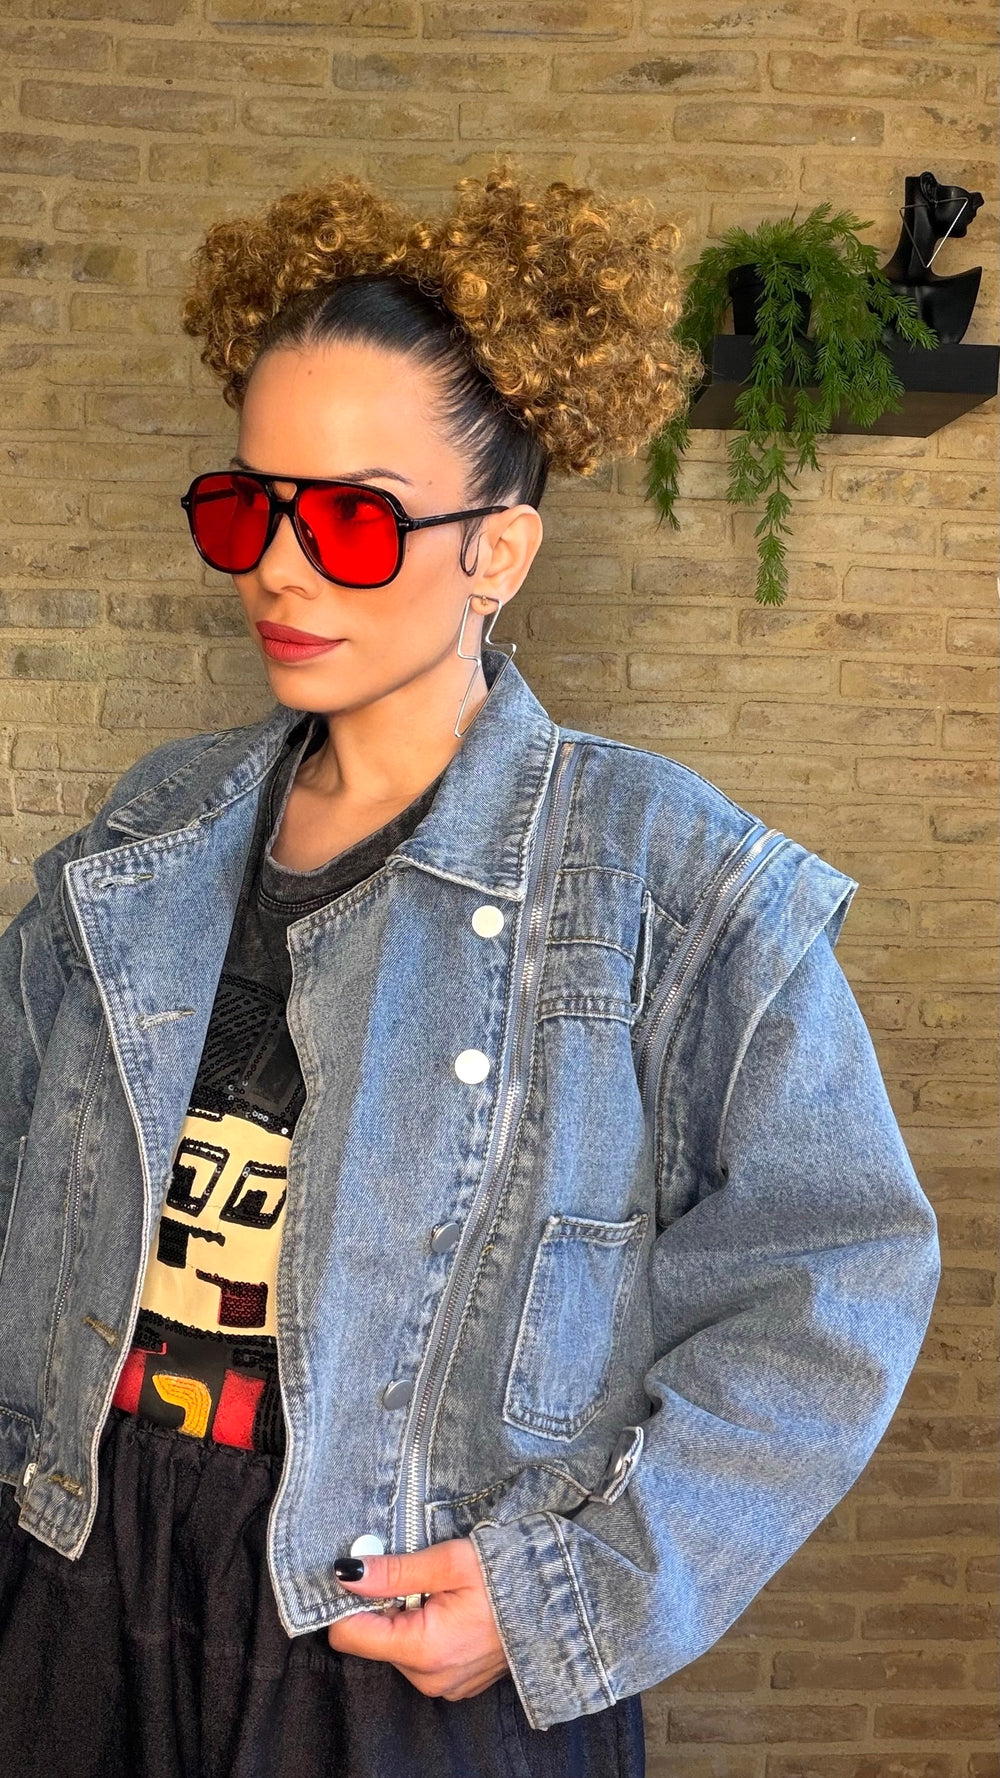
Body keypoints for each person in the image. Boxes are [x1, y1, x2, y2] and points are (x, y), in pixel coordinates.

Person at [0, 163, 940, 1778]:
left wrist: (565, 1592)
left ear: (498, 550)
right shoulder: (152, 832)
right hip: (78, 1588)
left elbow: (836, 1273)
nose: (279, 566)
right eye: (249, 506)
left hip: (395, 1658)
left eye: (351, 518)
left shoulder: (668, 880)